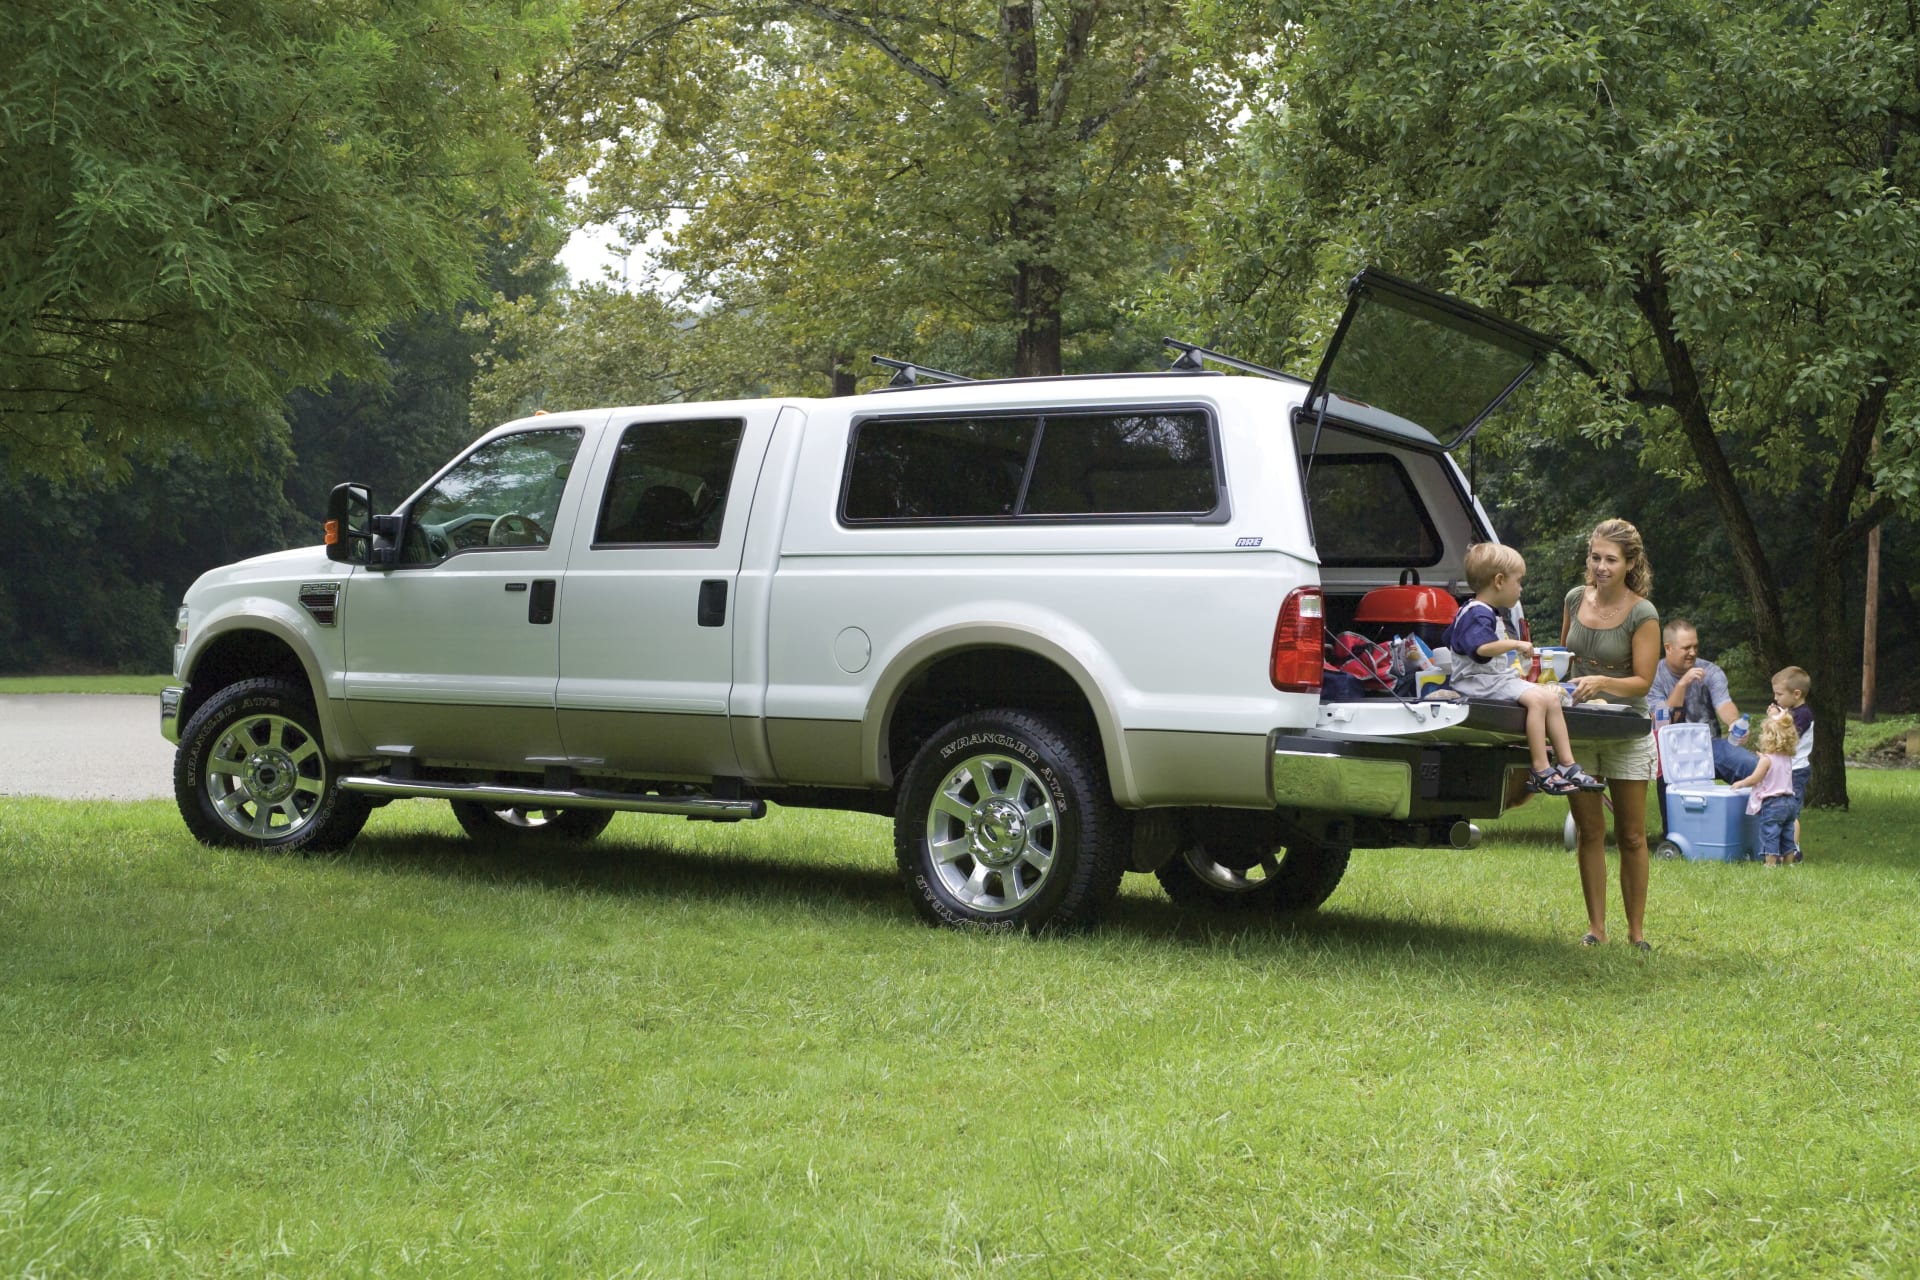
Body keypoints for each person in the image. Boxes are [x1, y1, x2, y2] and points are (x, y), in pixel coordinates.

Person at [1562, 518, 1662, 951]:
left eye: (1611, 560)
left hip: (1626, 729)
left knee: (1632, 835)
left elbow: (1643, 681)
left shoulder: (1643, 613)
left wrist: (1603, 684)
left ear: (1630, 563)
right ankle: (1596, 929)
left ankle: (1636, 933)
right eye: (1595, 557)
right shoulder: (1573, 599)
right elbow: (1565, 659)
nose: (1601, 567)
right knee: (1588, 830)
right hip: (1579, 726)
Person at [1445, 543, 1606, 796]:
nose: (1520, 588)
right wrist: (1516, 643)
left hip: (1492, 680)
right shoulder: (1478, 614)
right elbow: (1482, 648)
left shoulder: (1477, 611)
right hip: (1478, 683)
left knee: (1550, 697)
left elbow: (1452, 639)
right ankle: (1541, 768)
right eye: (1518, 581)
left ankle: (1567, 764)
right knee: (1538, 700)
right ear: (1499, 581)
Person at [1646, 619, 1755, 783]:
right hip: (1670, 750)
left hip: (1709, 745)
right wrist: (1682, 684)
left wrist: (1733, 722)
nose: (1693, 652)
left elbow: (1723, 702)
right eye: (1686, 648)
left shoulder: (1711, 671)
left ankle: (1760, 807)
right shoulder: (1654, 676)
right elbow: (1662, 721)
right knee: (1673, 799)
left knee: (1752, 765)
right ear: (1668, 648)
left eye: (1695, 646)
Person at [1734, 712, 1801, 867]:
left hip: (1773, 803)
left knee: (1770, 834)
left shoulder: (1766, 760)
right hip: (1790, 802)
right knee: (1787, 834)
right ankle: (1789, 863)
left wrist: (1741, 783)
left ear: (1769, 737)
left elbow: (1755, 778)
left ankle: (1770, 864)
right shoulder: (1786, 758)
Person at [1768, 666, 1814, 862]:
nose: (1776, 698)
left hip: (1795, 770)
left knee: (1791, 812)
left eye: (1779, 694)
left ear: (1796, 694)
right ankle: (1782, 848)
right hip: (1784, 768)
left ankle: (1793, 850)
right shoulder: (1790, 711)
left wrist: (1775, 719)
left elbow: (1788, 737)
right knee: (1780, 810)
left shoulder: (1803, 714)